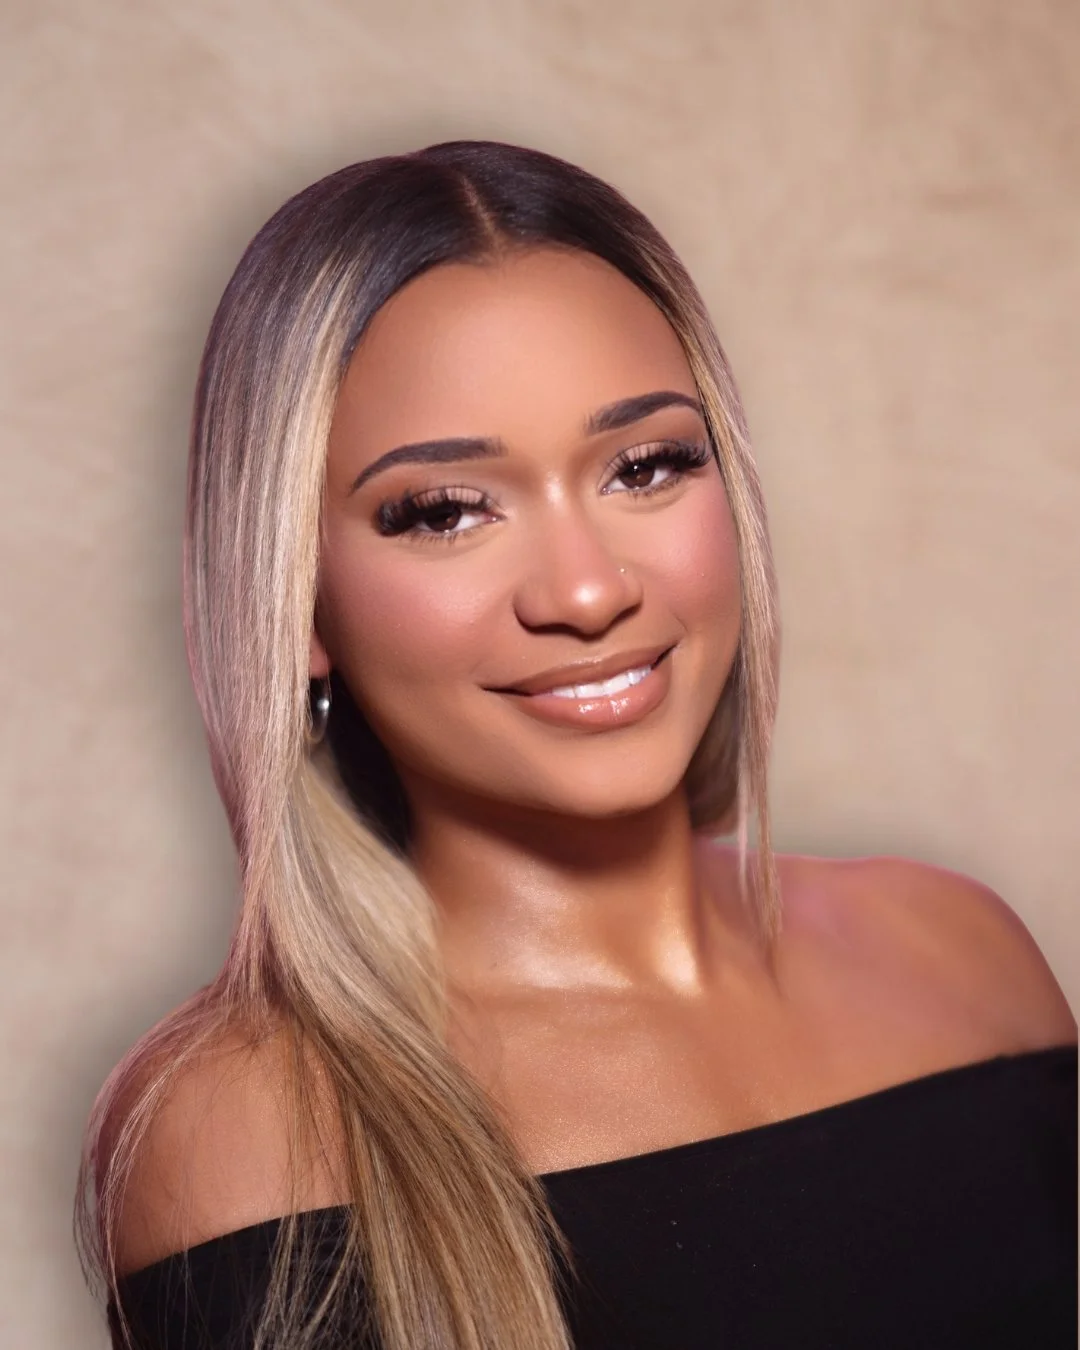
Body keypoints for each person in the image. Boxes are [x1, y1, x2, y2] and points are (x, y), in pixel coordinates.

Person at [76, 140, 1077, 1350]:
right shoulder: (236, 1129)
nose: (590, 591)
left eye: (646, 465)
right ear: (294, 602)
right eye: (444, 511)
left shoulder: (962, 957)